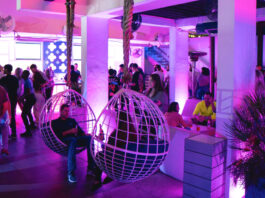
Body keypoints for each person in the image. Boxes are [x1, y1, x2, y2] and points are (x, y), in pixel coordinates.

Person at [51, 104, 98, 183]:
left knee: (89, 139)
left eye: (68, 111)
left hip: (74, 140)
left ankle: (90, 168)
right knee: (72, 140)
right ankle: (71, 173)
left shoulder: (72, 121)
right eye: (65, 111)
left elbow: (80, 132)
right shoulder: (56, 122)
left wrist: (86, 135)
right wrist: (70, 131)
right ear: (61, 111)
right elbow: (58, 135)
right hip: (64, 140)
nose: (67, 113)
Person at [0, 64, 19, 138]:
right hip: (13, 98)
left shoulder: (3, 79)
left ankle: (6, 133)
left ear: (7, 70)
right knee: (12, 115)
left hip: (6, 100)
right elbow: (17, 88)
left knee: (4, 115)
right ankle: (13, 133)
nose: (3, 70)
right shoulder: (15, 78)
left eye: (4, 69)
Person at [20, 70, 36, 137]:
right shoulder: (28, 80)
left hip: (30, 98)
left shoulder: (27, 81)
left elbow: (28, 92)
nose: (22, 75)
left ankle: (28, 131)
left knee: (23, 114)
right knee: (28, 112)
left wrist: (22, 97)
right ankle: (32, 124)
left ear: (25, 75)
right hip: (32, 98)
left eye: (23, 73)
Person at [0, 85, 11, 155]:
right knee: (4, 132)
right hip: (3, 115)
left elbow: (6, 103)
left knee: (4, 131)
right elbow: (7, 103)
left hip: (2, 115)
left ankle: (4, 148)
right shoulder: (1, 89)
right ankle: (5, 148)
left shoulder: (1, 89)